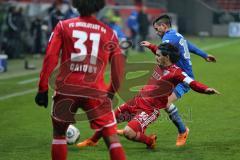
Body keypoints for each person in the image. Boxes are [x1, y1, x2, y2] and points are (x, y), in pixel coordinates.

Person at [77, 43, 219, 149]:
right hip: (136, 101)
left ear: (167, 57)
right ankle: (93, 141)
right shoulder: (161, 60)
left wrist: (206, 89)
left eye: (158, 55)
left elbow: (192, 82)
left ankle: (149, 141)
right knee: (108, 120)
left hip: (149, 110)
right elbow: (159, 49)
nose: (156, 57)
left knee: (128, 133)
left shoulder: (176, 73)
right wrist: (150, 46)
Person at [34, 0, 126, 160]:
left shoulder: (63, 26)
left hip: (66, 89)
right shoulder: (109, 33)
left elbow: (50, 57)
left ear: (76, 4)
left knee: (59, 134)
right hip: (95, 90)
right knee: (112, 138)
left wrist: (42, 88)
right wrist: (110, 93)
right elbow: (118, 70)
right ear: (99, 6)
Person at [141, 14, 217, 146]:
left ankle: (182, 130)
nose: (156, 32)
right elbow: (189, 46)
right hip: (172, 76)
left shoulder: (168, 38)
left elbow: (162, 53)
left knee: (163, 102)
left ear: (164, 26)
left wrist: (151, 46)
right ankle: (137, 128)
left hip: (181, 78)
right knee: (152, 99)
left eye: (157, 29)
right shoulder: (176, 35)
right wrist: (204, 55)